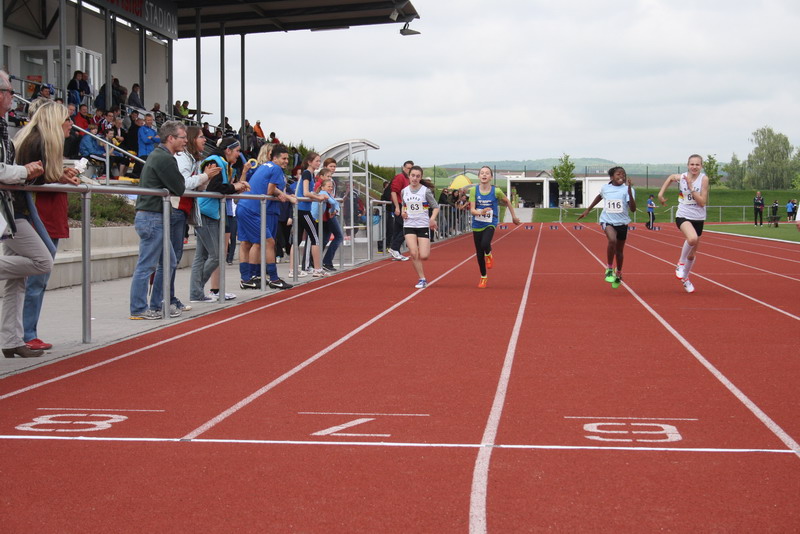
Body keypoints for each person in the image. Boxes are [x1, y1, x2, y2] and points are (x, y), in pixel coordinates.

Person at [11, 100, 80, 353]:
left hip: (38, 214)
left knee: (31, 279)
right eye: (67, 119)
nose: (71, 124)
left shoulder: (38, 140)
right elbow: (33, 177)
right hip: (35, 215)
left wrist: (59, 175)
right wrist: (56, 175)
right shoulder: (38, 141)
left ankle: (22, 333)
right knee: (37, 275)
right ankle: (26, 333)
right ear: (54, 121)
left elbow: (41, 174)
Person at [0, 72, 52, 358]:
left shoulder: (4, 130)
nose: (13, 96)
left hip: (8, 209)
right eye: (10, 91)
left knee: (17, 280)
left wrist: (27, 173)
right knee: (42, 260)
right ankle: (12, 339)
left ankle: (11, 340)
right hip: (9, 212)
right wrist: (25, 170)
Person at [150, 126, 220, 316]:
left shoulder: (192, 159)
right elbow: (182, 185)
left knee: (173, 258)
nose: (204, 140)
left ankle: (169, 298)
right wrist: (204, 176)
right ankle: (162, 300)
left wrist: (205, 179)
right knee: (170, 259)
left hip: (182, 211)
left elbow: (195, 187)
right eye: (201, 137)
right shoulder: (182, 158)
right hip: (175, 209)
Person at [128, 121, 188, 319]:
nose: (185, 141)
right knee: (147, 264)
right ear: (170, 138)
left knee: (168, 262)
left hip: (153, 216)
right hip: (152, 217)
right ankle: (139, 308)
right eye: (182, 137)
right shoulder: (164, 158)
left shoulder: (160, 156)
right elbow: (179, 187)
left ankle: (157, 304)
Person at [189, 137, 250, 303]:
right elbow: (215, 187)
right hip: (207, 212)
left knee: (201, 256)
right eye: (237, 151)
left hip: (208, 211)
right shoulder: (215, 161)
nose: (238, 154)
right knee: (216, 255)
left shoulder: (221, 162)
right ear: (228, 150)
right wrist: (235, 187)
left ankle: (195, 293)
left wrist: (236, 187)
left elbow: (220, 188)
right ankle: (196, 289)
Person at [236, 143, 295, 290]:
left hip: (244, 206)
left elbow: (268, 188)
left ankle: (247, 278)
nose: (286, 161)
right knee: (267, 242)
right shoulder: (275, 168)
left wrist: (282, 194)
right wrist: (285, 196)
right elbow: (270, 190)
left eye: (287, 159)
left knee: (248, 242)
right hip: (253, 209)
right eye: (284, 158)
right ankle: (273, 278)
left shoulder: (264, 166)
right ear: (273, 157)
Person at [578, 166, 636, 289]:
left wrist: (630, 191)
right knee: (612, 240)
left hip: (622, 223)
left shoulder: (628, 189)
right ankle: (609, 268)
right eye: (618, 174)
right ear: (611, 177)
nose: (622, 176)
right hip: (607, 221)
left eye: (623, 174)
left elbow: (633, 209)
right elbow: (599, 196)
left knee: (619, 252)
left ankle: (618, 272)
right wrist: (588, 209)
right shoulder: (605, 188)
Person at [658, 154, 708, 294]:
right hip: (683, 215)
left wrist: (692, 188)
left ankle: (685, 278)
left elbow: (702, 202)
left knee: (692, 255)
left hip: (698, 217)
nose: (694, 167)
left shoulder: (704, 179)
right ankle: (680, 263)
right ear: (688, 165)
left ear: (701, 166)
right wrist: (660, 194)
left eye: (697, 164)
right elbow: (670, 178)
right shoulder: (682, 177)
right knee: (692, 238)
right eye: (692, 164)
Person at [469, 166, 521, 288]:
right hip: (477, 223)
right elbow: (472, 210)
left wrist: (513, 217)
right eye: (482, 173)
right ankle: (483, 277)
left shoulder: (496, 191)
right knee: (479, 253)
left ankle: (489, 254)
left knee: (485, 243)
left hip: (490, 222)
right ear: (479, 176)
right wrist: (480, 212)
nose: (484, 175)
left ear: (491, 177)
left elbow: (507, 202)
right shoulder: (474, 191)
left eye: (487, 173)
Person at [401, 165, 439, 289]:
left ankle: (424, 247)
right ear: (409, 176)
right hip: (409, 225)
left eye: (417, 176)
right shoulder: (404, 191)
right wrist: (403, 212)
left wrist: (432, 219)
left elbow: (436, 207)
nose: (415, 178)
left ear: (420, 177)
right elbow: (404, 206)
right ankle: (422, 278)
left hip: (422, 225)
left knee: (424, 256)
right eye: (413, 175)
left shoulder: (425, 191)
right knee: (413, 252)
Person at [388, 160, 414, 261]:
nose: (409, 170)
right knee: (407, 228)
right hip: (399, 205)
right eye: (408, 168)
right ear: (403, 168)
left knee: (398, 229)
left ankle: (396, 251)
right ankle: (394, 248)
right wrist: (397, 207)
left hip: (405, 206)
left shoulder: (409, 179)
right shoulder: (400, 177)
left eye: (411, 168)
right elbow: (393, 192)